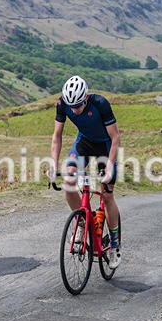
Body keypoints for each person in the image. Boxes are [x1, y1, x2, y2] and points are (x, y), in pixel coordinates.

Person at [50, 75, 122, 268]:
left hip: (105, 145)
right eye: (71, 106)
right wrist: (53, 165)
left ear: (86, 98)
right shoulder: (62, 104)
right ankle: (82, 223)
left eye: (78, 106)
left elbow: (115, 137)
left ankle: (115, 244)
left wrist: (109, 166)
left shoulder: (100, 104)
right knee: (69, 180)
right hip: (84, 142)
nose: (74, 110)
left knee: (107, 195)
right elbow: (57, 136)